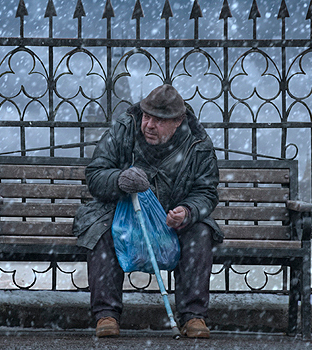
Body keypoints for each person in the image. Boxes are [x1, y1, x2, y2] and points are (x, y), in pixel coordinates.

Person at [72, 84, 223, 338]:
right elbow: (96, 175)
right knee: (100, 228)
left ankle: (193, 316)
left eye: (159, 121)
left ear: (177, 122)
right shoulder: (124, 128)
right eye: (147, 116)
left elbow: (207, 191)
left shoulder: (198, 143)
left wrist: (187, 211)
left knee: (201, 231)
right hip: (121, 212)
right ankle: (106, 315)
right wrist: (120, 180)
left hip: (171, 219)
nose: (149, 125)